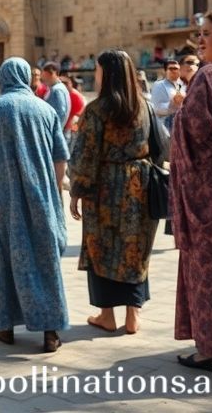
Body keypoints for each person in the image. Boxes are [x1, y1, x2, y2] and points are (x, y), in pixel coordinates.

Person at [0, 57, 69, 353]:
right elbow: (60, 157)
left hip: (7, 194)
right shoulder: (46, 109)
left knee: (4, 253)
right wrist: (56, 189)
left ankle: (4, 326)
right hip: (42, 189)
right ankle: (51, 331)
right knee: (45, 255)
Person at [69, 49, 157, 335]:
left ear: (106, 74)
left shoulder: (96, 110)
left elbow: (85, 154)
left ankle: (107, 315)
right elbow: (158, 146)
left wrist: (76, 190)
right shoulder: (145, 106)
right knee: (134, 247)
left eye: (97, 70)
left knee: (101, 247)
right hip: (139, 184)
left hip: (104, 187)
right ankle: (133, 316)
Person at [171, 8, 212, 374]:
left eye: (207, 33)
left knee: (210, 268)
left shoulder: (211, 76)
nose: (200, 40)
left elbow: (194, 131)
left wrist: (180, 113)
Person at [150, 59, 184, 130]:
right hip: (166, 127)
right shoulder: (159, 85)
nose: (174, 71)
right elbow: (156, 108)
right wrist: (173, 104)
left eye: (176, 68)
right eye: (171, 69)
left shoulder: (184, 85)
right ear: (165, 71)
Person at [41, 62, 71, 126]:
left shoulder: (57, 90)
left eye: (45, 76)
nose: (44, 79)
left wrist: (55, 131)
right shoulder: (55, 88)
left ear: (52, 74)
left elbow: (61, 113)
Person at [60, 75, 86, 143]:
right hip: (66, 127)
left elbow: (80, 113)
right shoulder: (68, 94)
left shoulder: (75, 96)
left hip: (70, 129)